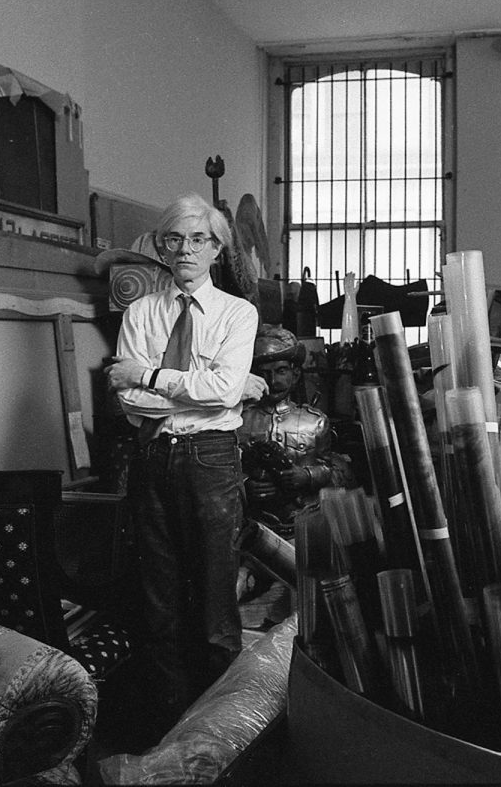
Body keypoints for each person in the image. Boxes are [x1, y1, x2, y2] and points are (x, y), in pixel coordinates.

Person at [106, 193, 267, 717]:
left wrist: (151, 375)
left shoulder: (237, 313)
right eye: (174, 239)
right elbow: (126, 399)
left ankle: (222, 723)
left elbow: (221, 391)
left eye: (199, 240)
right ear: (161, 246)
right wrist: (196, 387)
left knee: (216, 592)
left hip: (211, 458)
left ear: (217, 248)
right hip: (152, 454)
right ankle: (173, 719)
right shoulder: (140, 311)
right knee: (159, 594)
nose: (186, 250)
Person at [239, 325, 354, 537]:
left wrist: (307, 475)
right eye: (264, 374)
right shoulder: (238, 421)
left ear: (296, 373)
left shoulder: (315, 422)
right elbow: (224, 471)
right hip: (255, 527)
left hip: (307, 525)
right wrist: (245, 486)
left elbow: (335, 472)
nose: (273, 381)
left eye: (281, 371)